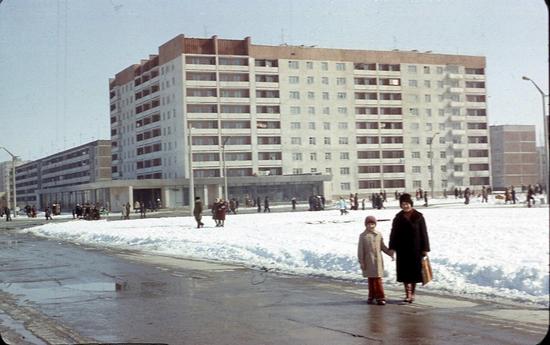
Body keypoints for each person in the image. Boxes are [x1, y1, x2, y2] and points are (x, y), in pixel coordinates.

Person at [389, 193, 430, 303]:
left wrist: (425, 248)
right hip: (402, 250)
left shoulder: (419, 216)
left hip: (416, 249)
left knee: (414, 273)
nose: (405, 206)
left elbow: (424, 233)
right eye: (403, 204)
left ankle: (413, 293)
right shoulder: (398, 218)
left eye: (407, 203)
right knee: (405, 273)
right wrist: (392, 247)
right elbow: (393, 233)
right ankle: (408, 293)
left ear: (411, 204)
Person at [358, 215, 394, 305]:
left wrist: (390, 253)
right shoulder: (363, 236)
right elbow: (360, 250)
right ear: (365, 225)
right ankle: (372, 296)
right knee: (371, 279)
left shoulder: (378, 234)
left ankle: (380, 297)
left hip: (377, 261)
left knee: (378, 279)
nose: (370, 226)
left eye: (372, 224)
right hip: (368, 261)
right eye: (368, 224)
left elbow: (382, 246)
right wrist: (362, 262)